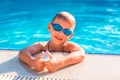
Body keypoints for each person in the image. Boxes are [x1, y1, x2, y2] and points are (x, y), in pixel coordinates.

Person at [18, 12, 85, 72]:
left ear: (70, 36)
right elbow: (23, 52)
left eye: (67, 31)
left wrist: (59, 63)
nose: (60, 33)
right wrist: (32, 62)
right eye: (57, 28)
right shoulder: (42, 45)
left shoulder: (70, 46)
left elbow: (81, 54)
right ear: (49, 27)